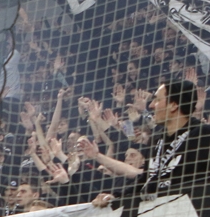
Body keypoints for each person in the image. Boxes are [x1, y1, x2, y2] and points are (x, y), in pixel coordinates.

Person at [82, 80, 210, 206]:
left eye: (157, 100)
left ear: (173, 105)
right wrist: (116, 196)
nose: (151, 105)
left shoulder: (203, 134)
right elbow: (146, 180)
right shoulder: (158, 140)